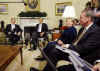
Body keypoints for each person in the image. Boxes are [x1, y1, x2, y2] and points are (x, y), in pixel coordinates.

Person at [31, 10, 100, 71]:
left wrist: (67, 46)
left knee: (54, 49)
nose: (79, 19)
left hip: (80, 55)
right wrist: (65, 47)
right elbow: (75, 41)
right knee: (54, 51)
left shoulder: (95, 30)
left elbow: (84, 48)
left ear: (88, 18)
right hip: (73, 51)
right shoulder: (82, 29)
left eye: (81, 17)